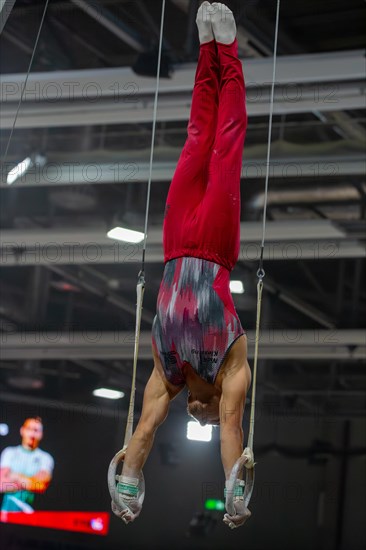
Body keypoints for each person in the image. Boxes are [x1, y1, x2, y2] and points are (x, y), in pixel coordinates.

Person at [115, 1, 251, 529]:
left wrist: (127, 484)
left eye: (199, 421)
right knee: (225, 142)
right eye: (210, 420)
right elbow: (235, 433)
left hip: (174, 244)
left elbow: (144, 431)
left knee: (197, 138)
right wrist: (235, 495)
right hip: (216, 242)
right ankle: (228, 52)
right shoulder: (232, 373)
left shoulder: (165, 377)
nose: (204, 420)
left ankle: (204, 52)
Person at [0, 417, 54, 513]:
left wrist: (15, 476)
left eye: (36, 430)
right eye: (29, 429)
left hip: (31, 515)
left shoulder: (46, 458)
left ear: (41, 434)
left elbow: (40, 486)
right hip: (6, 513)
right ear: (22, 430)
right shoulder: (9, 452)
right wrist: (29, 482)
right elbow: (1, 485)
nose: (32, 434)